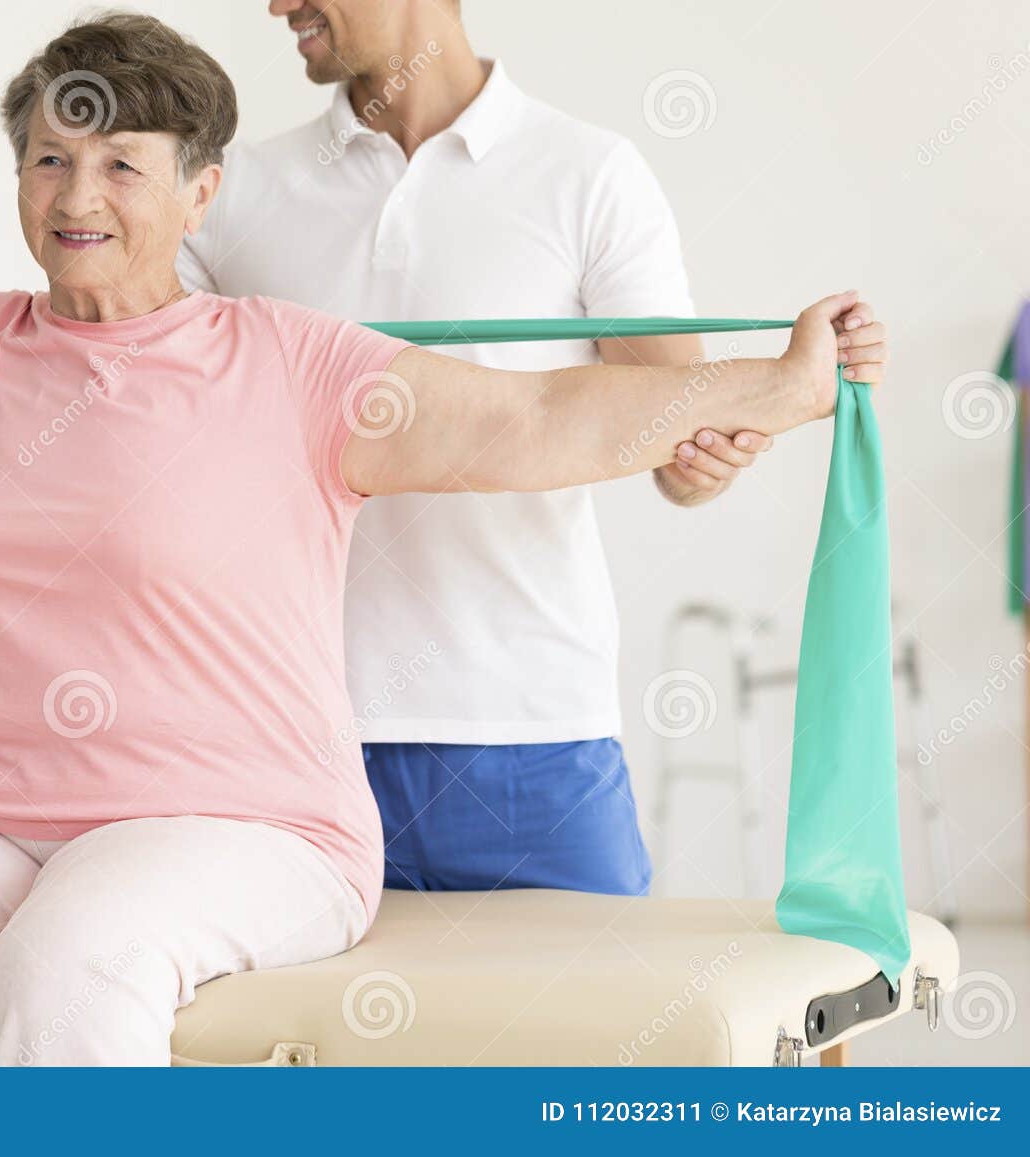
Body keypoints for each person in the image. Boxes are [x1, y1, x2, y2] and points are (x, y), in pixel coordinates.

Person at [0, 13, 887, 1065]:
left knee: (74, 963)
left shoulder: (292, 364)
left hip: (248, 816)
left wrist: (781, 383)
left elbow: (540, 415)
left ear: (201, 198)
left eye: (122, 162)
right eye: (50, 159)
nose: (80, 193)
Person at [180, 0, 884, 896]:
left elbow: (682, 454)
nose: (277, 4)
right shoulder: (231, 189)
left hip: (534, 736)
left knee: (590, 1033)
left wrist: (737, 428)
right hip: (298, 741)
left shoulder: (586, 173)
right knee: (330, 1041)